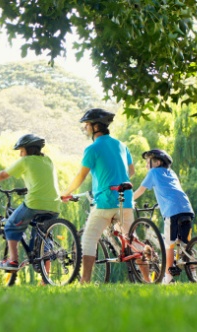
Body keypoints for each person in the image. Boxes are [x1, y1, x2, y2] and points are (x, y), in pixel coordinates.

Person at [60, 108, 136, 283]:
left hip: (105, 201)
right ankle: (147, 276)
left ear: (95, 127)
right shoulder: (121, 145)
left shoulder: (92, 148)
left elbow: (81, 176)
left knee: (89, 238)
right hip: (126, 198)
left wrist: (66, 193)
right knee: (131, 239)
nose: (85, 128)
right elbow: (131, 171)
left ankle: (85, 280)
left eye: (87, 125)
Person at [0, 134, 61, 271]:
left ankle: (13, 261)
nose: (20, 155)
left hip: (35, 203)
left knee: (10, 226)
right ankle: (46, 279)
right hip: (54, 205)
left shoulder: (26, 161)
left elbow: (4, 174)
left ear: (28, 150)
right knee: (42, 240)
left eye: (21, 151)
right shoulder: (48, 160)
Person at [133, 149, 195, 284]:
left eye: (148, 161)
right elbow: (171, 191)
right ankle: (194, 275)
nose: (146, 165)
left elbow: (141, 190)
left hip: (172, 212)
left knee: (169, 245)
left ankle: (168, 278)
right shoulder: (171, 173)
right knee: (186, 244)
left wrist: (129, 200)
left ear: (157, 162)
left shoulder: (153, 172)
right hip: (186, 209)